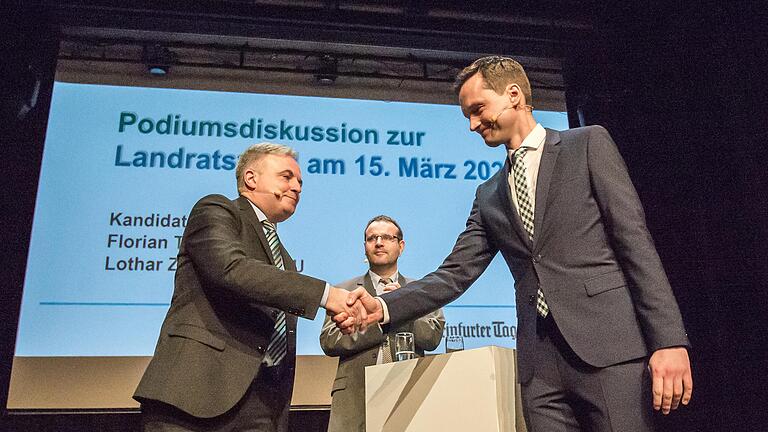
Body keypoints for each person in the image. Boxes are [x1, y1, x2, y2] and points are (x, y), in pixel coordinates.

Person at [337, 56, 692, 432]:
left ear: (513, 95)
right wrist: (383, 307)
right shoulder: (489, 193)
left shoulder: (587, 144)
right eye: (467, 117)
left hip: (609, 350)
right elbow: (455, 274)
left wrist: (668, 341)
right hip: (539, 368)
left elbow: (635, 243)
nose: (473, 125)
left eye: (478, 110)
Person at [134, 143, 365, 432]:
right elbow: (232, 270)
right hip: (195, 394)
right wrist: (327, 295)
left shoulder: (285, 259)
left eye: (300, 182)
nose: (297, 187)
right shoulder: (216, 210)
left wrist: (341, 312)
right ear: (251, 178)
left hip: (262, 405)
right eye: (286, 177)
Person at [320, 215, 445, 432]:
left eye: (387, 237)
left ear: (401, 246)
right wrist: (378, 321)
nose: (378, 242)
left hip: (408, 392)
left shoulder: (421, 290)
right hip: (355, 397)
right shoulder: (344, 290)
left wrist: (402, 309)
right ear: (365, 247)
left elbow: (432, 337)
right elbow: (329, 340)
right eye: (372, 238)